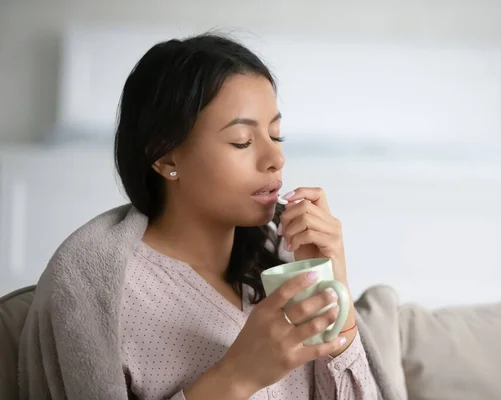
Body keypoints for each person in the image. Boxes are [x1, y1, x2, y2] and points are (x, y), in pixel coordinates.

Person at [22, 34, 379, 400]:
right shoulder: (96, 294)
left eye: (276, 134)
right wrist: (236, 377)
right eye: (242, 140)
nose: (276, 158)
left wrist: (337, 291)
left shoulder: (284, 259)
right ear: (165, 158)